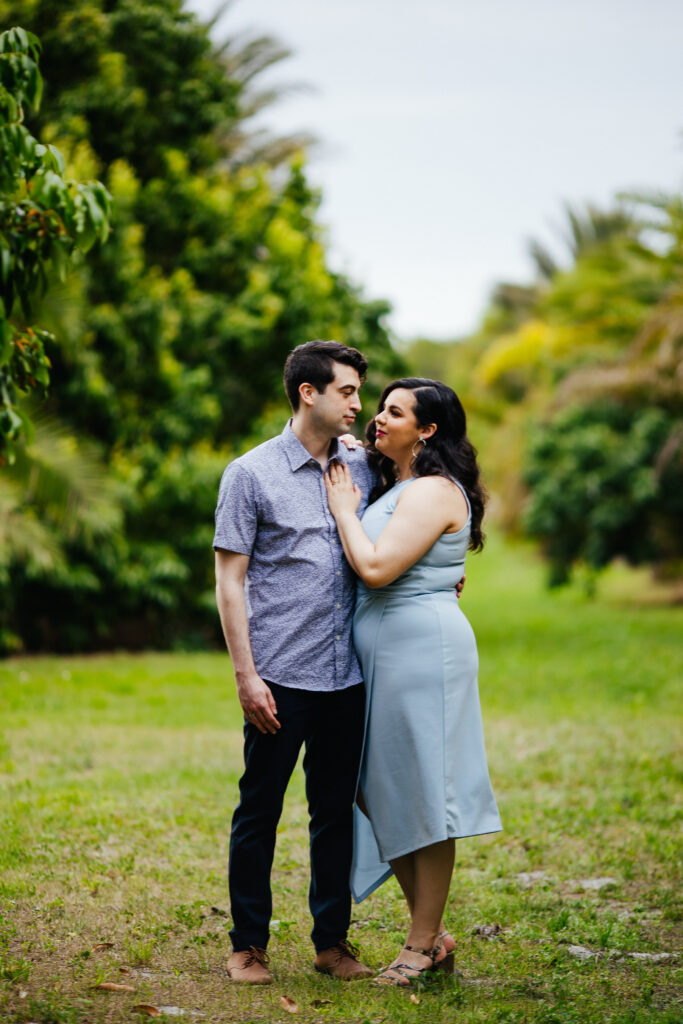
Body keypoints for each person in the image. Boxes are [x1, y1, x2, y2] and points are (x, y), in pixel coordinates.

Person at [324, 377, 502, 987]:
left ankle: (422, 944)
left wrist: (345, 512)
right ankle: (431, 932)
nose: (378, 418)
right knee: (371, 785)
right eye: (380, 407)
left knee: (424, 789)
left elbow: (375, 568)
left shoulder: (429, 490)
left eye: (394, 412)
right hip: (381, 650)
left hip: (420, 651)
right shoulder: (397, 485)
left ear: (427, 430)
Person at [213, 340, 377, 984]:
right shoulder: (249, 474)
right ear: (308, 392)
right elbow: (230, 582)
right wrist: (246, 676)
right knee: (259, 811)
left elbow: (404, 523)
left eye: (360, 392)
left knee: (334, 812)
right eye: (348, 391)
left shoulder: (366, 468)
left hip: (350, 675)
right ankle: (248, 945)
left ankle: (331, 944)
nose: (358, 405)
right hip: (278, 676)